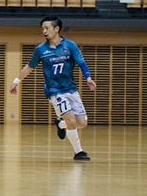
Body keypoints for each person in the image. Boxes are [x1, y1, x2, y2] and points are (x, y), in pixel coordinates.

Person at [9, 16, 95, 162]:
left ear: (56, 29)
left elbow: (81, 63)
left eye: (47, 28)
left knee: (82, 123)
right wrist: (16, 81)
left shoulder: (70, 45)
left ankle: (60, 124)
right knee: (71, 120)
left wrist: (88, 77)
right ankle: (78, 152)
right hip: (54, 91)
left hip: (71, 89)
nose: (44, 31)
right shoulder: (40, 49)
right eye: (42, 28)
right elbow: (29, 67)